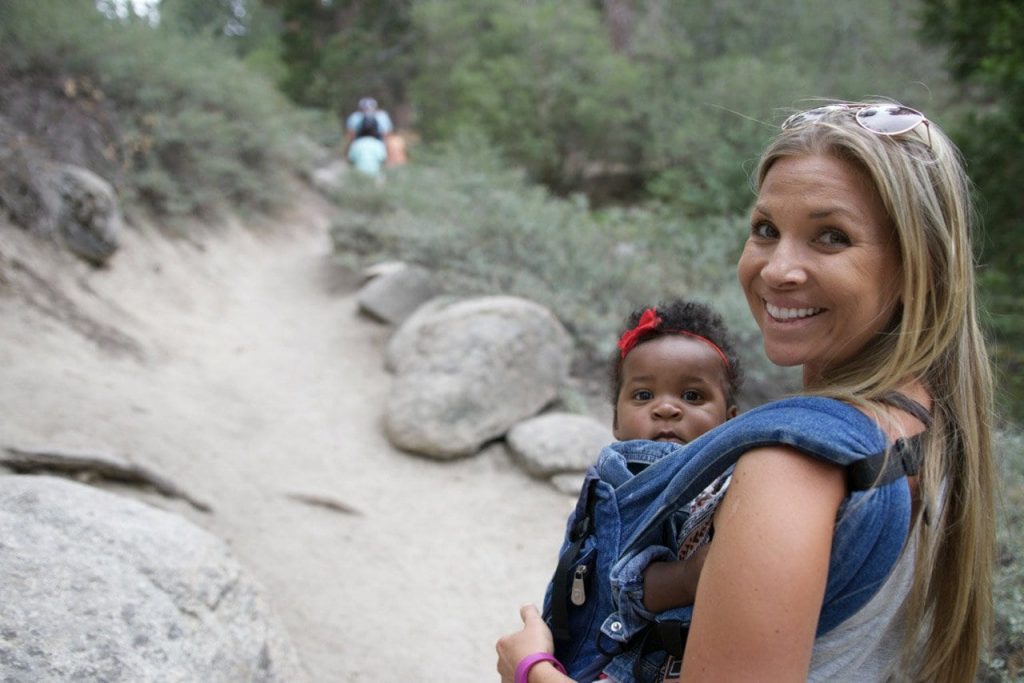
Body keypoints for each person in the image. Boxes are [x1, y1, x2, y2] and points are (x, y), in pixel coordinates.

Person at [496, 101, 995, 683]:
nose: (778, 268)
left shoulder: (791, 470)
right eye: (766, 230)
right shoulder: (930, 423)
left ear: (920, 267)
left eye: (830, 237)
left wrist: (532, 671)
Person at [606, 300, 743, 613]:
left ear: (731, 421)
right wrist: (687, 577)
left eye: (692, 396)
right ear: (616, 421)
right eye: (644, 395)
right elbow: (615, 584)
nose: (666, 408)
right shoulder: (619, 484)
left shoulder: (745, 478)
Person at [347, 115, 388, 179]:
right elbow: (383, 161)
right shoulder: (378, 144)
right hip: (374, 176)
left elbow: (351, 161)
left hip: (358, 176)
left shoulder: (356, 143)